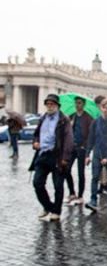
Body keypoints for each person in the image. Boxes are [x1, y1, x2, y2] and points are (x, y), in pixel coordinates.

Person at [30, 94, 73, 222]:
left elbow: (69, 139)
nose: (49, 106)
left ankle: (56, 211)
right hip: (42, 154)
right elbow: (37, 134)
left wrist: (65, 157)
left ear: (57, 106)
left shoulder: (63, 120)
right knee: (37, 183)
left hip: (57, 156)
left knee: (58, 185)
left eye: (52, 104)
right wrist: (35, 142)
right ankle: (48, 206)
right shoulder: (43, 118)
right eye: (47, 104)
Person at [65, 96, 94, 206]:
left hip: (82, 148)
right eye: (76, 103)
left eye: (79, 103)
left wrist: (86, 147)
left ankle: (80, 196)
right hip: (72, 147)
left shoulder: (88, 118)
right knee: (66, 170)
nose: (77, 105)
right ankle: (72, 192)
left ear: (83, 104)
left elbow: (91, 134)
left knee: (80, 172)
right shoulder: (72, 116)